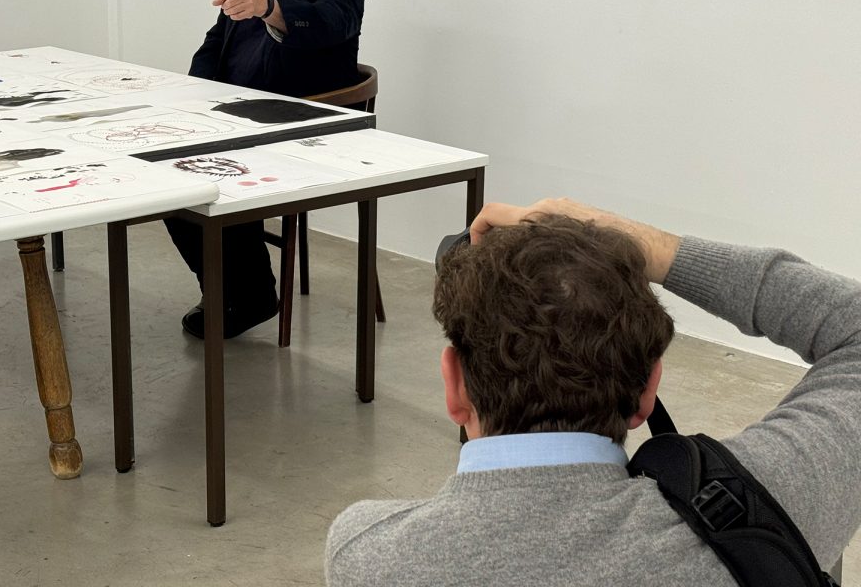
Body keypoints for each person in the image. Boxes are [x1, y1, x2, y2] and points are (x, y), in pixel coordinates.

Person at [325, 198, 861, 585]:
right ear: (648, 388)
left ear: (454, 386)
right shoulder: (766, 507)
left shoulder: (368, 554)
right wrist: (641, 243)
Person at [165, 0, 369, 340]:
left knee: (210, 173)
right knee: (164, 172)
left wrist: (267, 7)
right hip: (238, 113)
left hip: (306, 124)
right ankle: (227, 289)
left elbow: (327, 23)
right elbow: (218, 41)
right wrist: (189, 98)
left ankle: (252, 295)